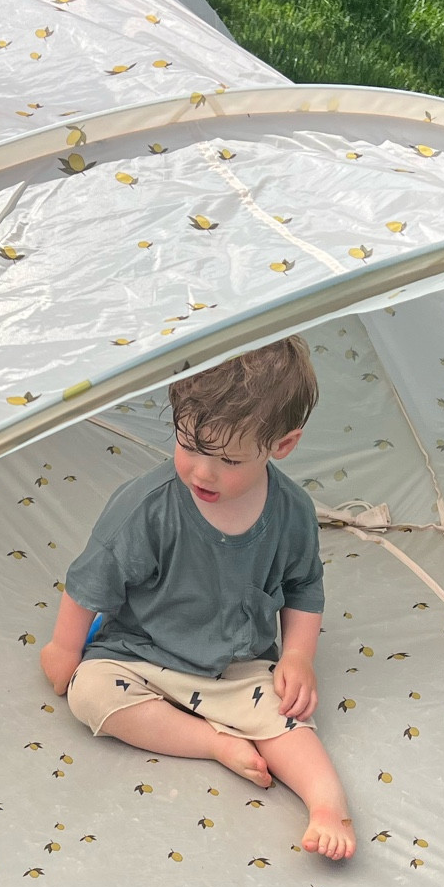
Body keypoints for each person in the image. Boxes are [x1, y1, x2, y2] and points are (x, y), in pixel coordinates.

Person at [40, 337, 356, 860]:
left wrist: (298, 656)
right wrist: (63, 648)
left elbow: (304, 586)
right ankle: (212, 742)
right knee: (90, 693)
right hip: (141, 652)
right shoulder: (149, 507)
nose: (202, 472)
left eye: (229, 459)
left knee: (288, 716)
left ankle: (328, 805)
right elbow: (92, 581)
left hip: (236, 666)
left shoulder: (293, 510)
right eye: (190, 445)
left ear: (283, 445)